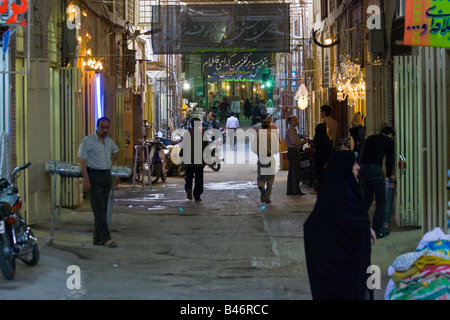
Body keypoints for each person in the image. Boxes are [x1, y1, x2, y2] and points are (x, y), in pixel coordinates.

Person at [304, 150, 376, 300]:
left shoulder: (347, 191)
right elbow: (318, 227)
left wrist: (364, 229)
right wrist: (359, 229)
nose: (358, 167)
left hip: (357, 270)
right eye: (354, 164)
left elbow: (350, 219)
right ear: (344, 167)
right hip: (347, 277)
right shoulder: (335, 197)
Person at [78, 117, 119, 248]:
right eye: (102, 127)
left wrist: (108, 161)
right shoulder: (88, 141)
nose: (105, 130)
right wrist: (86, 180)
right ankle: (106, 238)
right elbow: (82, 161)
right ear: (97, 127)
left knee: (103, 208)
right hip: (94, 176)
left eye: (107, 127)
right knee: (98, 209)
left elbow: (116, 150)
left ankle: (97, 239)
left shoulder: (108, 141)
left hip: (106, 175)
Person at [358, 126, 395, 239]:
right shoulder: (389, 141)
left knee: (367, 199)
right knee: (381, 201)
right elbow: (389, 160)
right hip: (375, 170)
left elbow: (362, 152)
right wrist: (389, 175)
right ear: (390, 134)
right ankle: (377, 229)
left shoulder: (370, 138)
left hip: (363, 169)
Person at [180, 118, 209, 202]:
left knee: (189, 176)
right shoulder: (203, 134)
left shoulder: (187, 134)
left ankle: (188, 188)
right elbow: (206, 148)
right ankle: (197, 196)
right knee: (198, 178)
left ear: (191, 124)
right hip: (199, 161)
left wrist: (181, 154)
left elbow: (184, 146)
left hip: (189, 160)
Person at [251, 120, 279, 204]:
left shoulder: (258, 136)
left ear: (261, 127)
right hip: (270, 158)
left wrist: (259, 152)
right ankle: (267, 197)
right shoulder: (273, 136)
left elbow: (253, 148)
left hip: (262, 158)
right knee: (270, 179)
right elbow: (277, 149)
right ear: (269, 127)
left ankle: (262, 188)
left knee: (261, 178)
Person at [285, 115, 307, 195]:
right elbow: (294, 142)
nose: (296, 121)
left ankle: (291, 189)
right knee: (295, 171)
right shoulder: (290, 131)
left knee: (293, 171)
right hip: (293, 151)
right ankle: (295, 190)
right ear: (290, 122)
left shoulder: (293, 130)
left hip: (293, 151)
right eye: (294, 120)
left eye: (296, 120)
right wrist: (302, 141)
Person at [312, 123, 333, 193]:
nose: (328, 129)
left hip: (325, 160)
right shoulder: (320, 139)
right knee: (322, 178)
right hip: (321, 161)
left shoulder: (325, 137)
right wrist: (325, 162)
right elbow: (321, 151)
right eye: (326, 128)